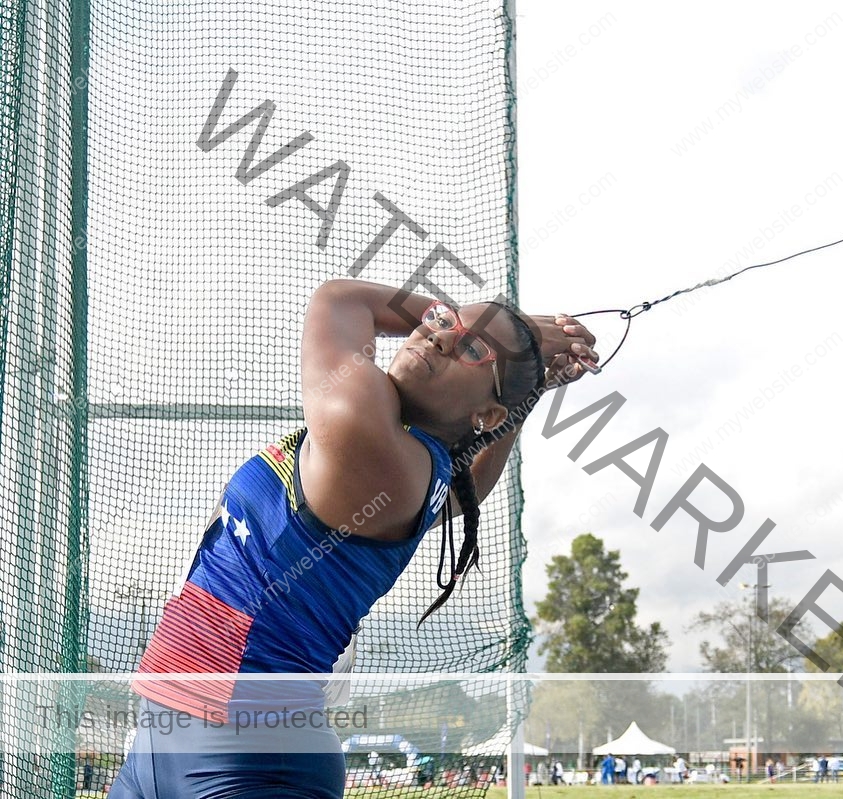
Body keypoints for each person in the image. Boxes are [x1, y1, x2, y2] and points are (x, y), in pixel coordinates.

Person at [108, 280, 599, 798]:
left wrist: (511, 328)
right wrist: (522, 391)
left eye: (472, 349)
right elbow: (465, 490)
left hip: (246, 763)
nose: (438, 337)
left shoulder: (369, 432)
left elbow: (340, 300)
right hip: (163, 739)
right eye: (441, 322)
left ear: (486, 414)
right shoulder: (422, 474)